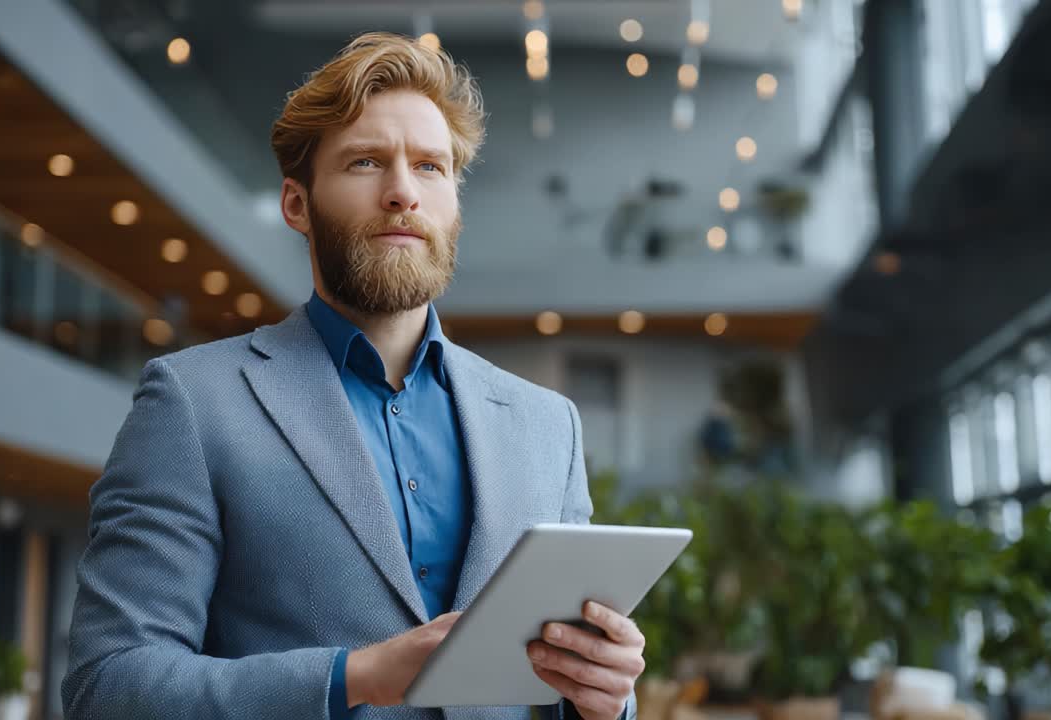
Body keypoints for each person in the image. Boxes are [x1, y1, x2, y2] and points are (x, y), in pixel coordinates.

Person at [61, 32, 643, 720]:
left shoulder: (549, 426)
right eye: (367, 162)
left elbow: (565, 681)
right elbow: (110, 687)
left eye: (430, 167)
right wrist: (355, 676)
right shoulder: (192, 404)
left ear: (455, 202)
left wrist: (607, 699)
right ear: (296, 205)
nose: (403, 192)